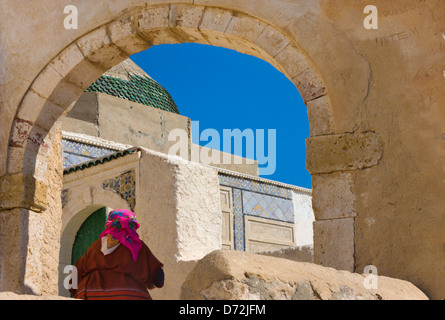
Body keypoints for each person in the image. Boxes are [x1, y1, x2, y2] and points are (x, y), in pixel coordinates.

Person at [69, 209, 164, 300]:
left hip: (91, 294)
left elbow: (76, 272)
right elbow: (158, 278)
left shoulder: (95, 246)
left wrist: (73, 290)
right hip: (128, 294)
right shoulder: (138, 246)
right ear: (132, 225)